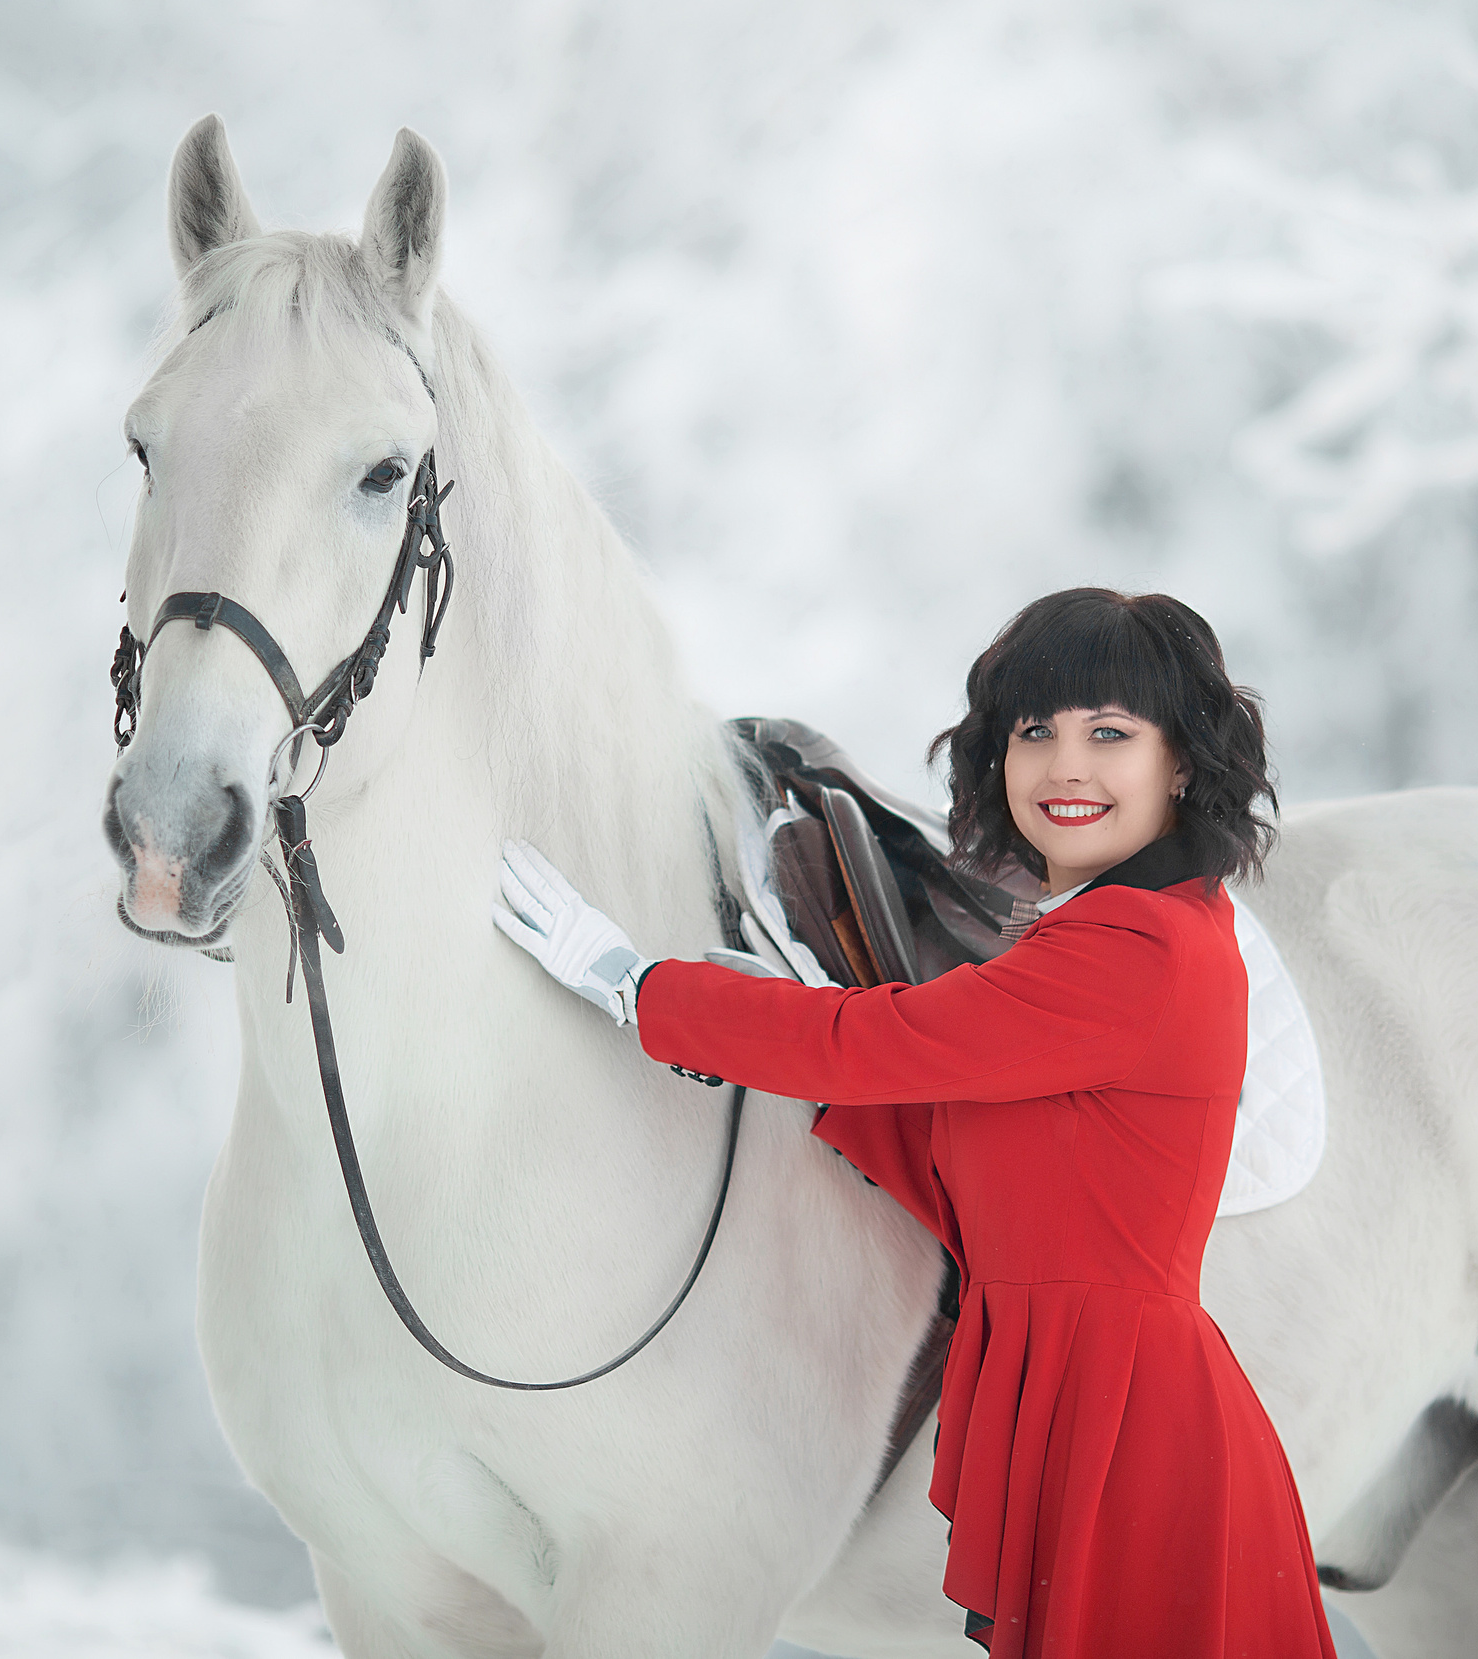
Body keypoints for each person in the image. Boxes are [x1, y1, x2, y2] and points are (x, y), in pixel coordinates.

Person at [495, 587, 1339, 1658]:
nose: (1065, 767)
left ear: (1179, 765)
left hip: (1126, 1428)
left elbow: (882, 1045)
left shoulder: (1132, 946)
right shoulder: (1136, 926)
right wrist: (774, 1033)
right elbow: (966, 1152)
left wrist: (639, 987)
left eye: (1110, 734)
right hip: (1104, 1400)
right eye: (1035, 732)